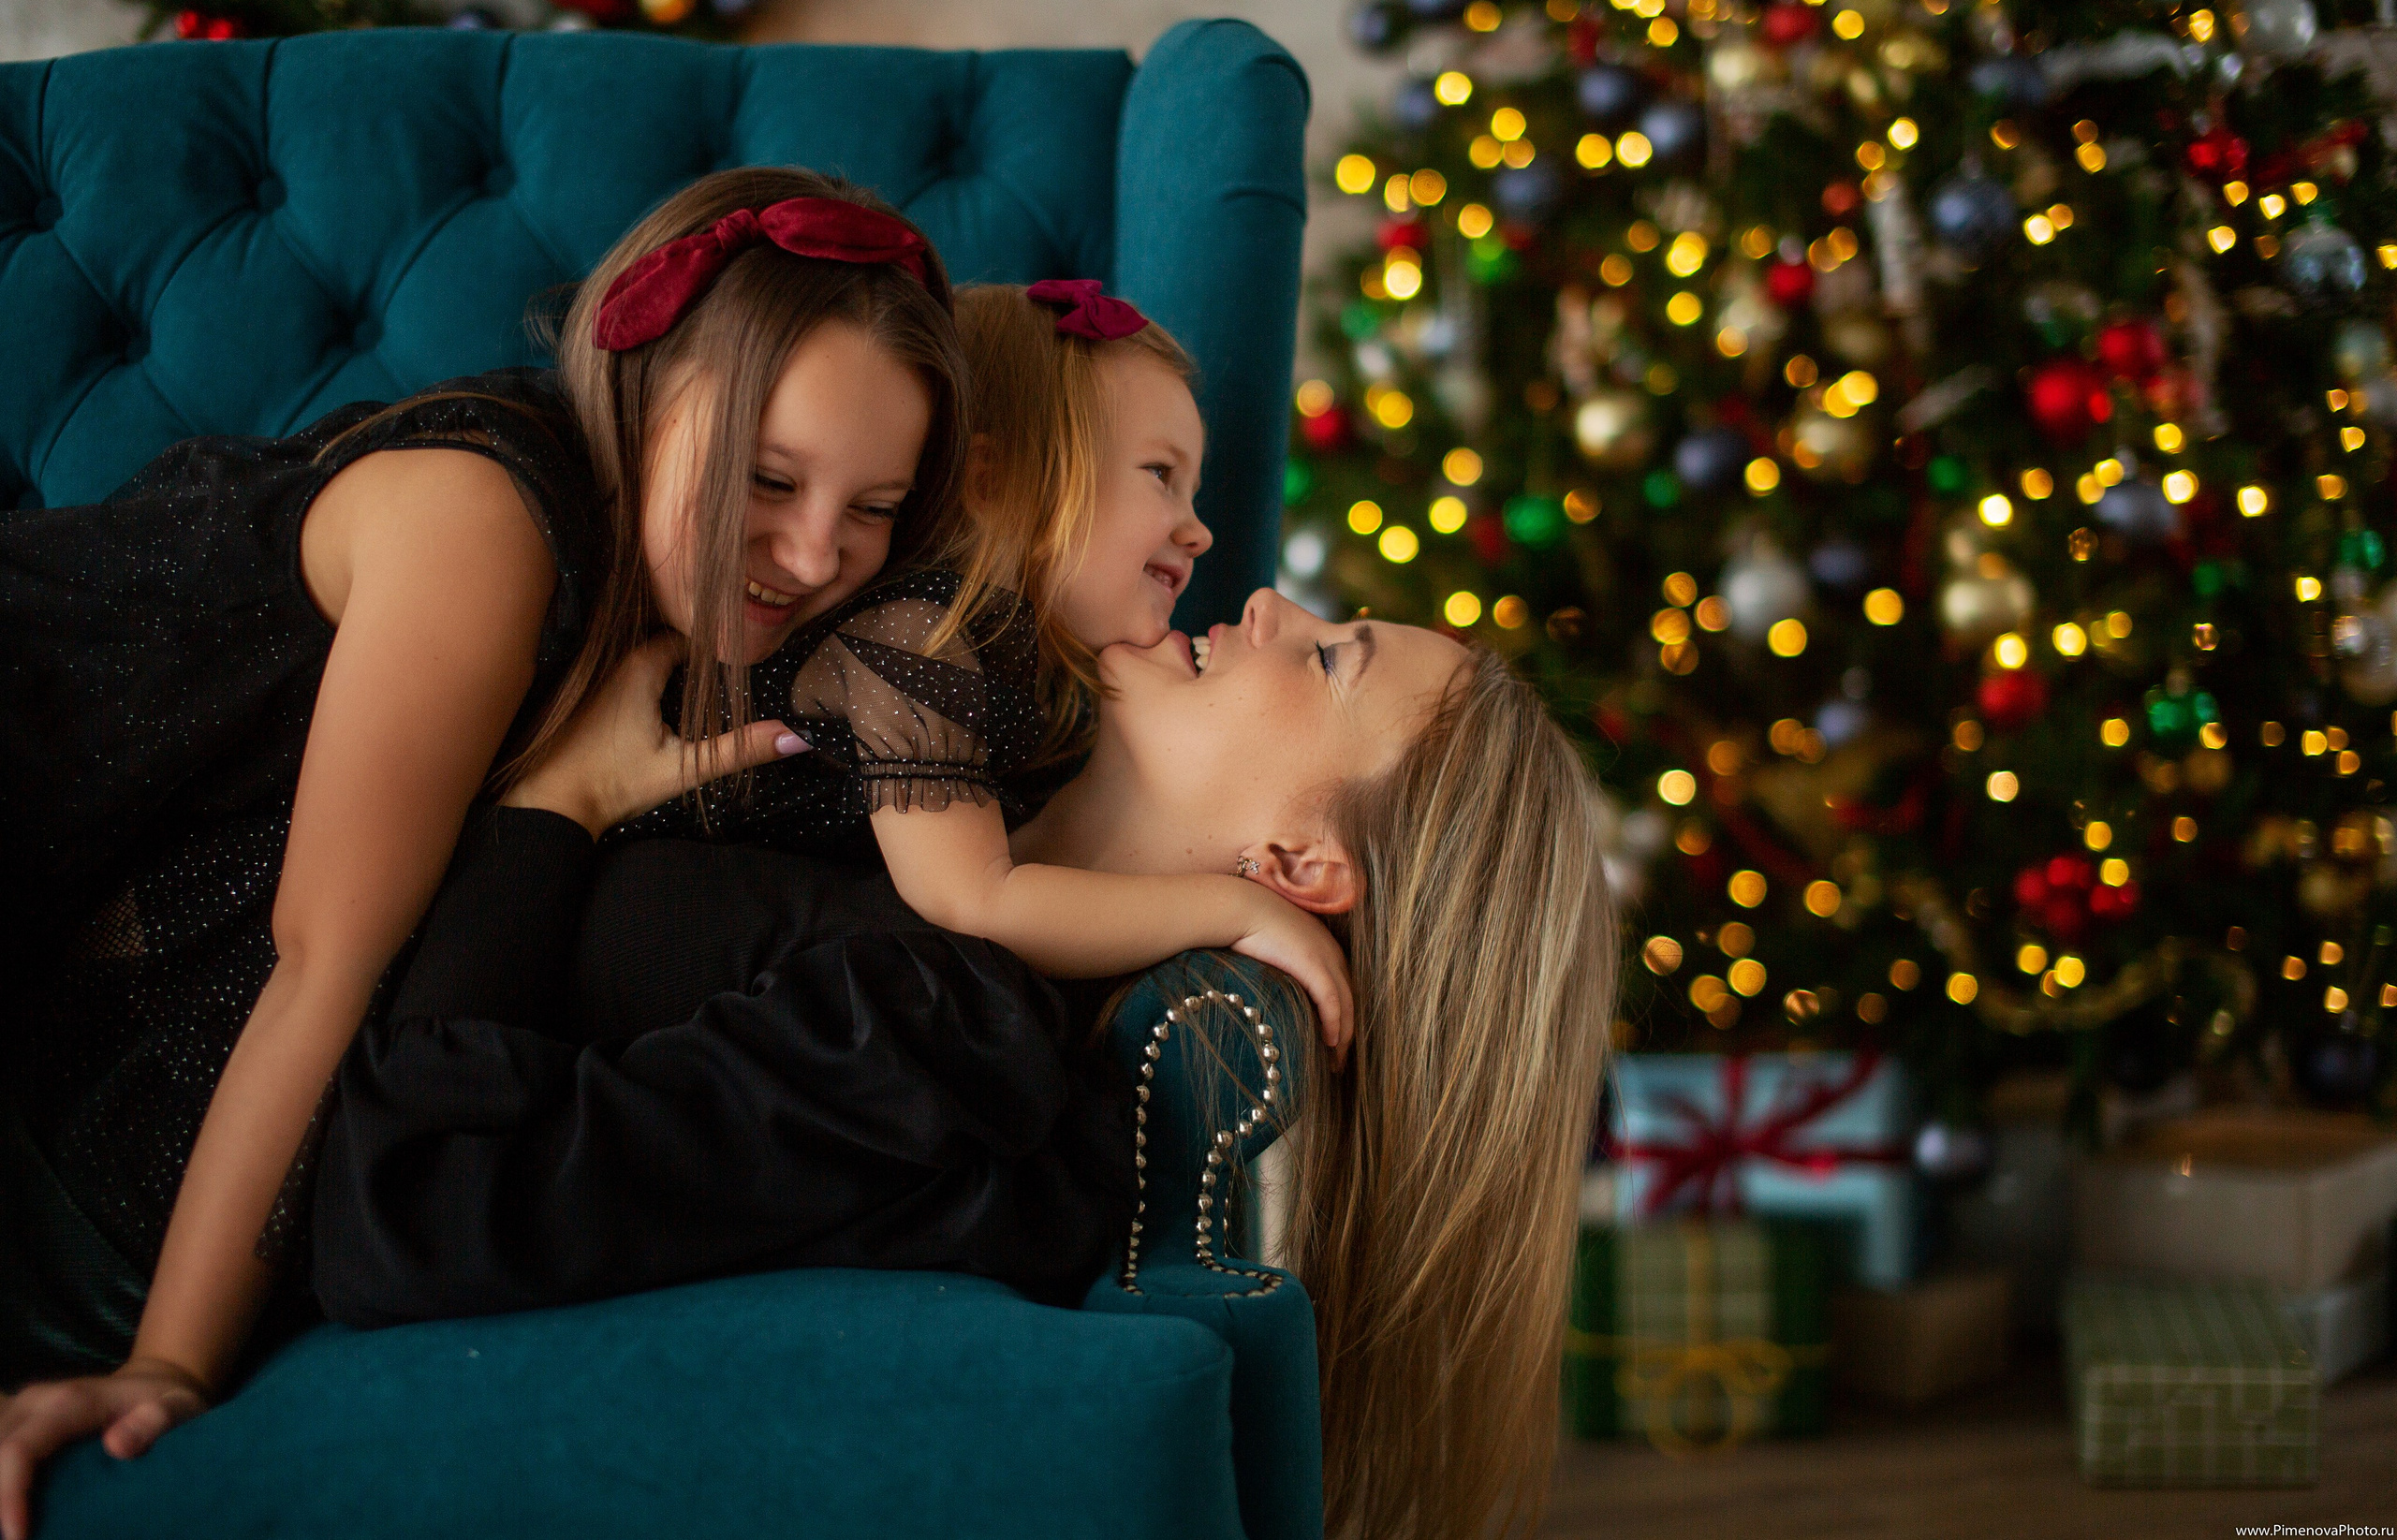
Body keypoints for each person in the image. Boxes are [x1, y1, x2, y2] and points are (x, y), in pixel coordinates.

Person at [0, 166, 966, 1534]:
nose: (815, 551)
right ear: (642, 391)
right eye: (767, 475)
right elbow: (321, 958)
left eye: (873, 505)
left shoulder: (699, 638)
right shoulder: (484, 523)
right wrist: (166, 1365)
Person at [314, 586, 1618, 1540]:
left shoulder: (948, 1034)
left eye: (1331, 656)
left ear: (1294, 862)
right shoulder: (945, 804)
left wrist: (547, 807)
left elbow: (414, 1198)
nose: (1270, 602)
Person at [597, 277, 1351, 1049]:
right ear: (994, 481)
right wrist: (1237, 909)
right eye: (1162, 475)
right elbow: (976, 898)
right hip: (628, 928)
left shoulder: (1005, 659)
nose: (1200, 534)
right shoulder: (918, 635)